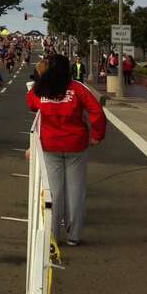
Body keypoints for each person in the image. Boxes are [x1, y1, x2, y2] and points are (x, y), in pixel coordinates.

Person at [26, 54, 106, 246]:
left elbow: (31, 103)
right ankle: (74, 235)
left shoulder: (41, 89)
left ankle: (52, 235)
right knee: (76, 191)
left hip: (50, 145)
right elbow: (96, 111)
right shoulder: (77, 89)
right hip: (76, 145)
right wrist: (97, 134)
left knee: (53, 192)